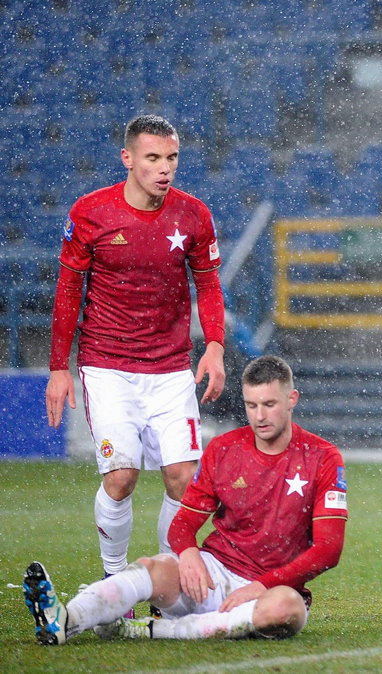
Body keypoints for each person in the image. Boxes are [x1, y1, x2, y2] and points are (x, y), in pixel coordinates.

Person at [22, 355, 348, 645]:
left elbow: (328, 550)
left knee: (285, 610)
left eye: (269, 404)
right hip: (212, 574)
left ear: (292, 399)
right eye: (251, 406)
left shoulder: (323, 457)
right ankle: (66, 619)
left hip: (273, 590)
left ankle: (150, 631)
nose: (259, 416)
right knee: (156, 567)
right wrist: (189, 553)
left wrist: (261, 585)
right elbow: (184, 524)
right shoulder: (223, 449)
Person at [45, 114, 227, 584]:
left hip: (170, 368)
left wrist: (215, 347)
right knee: (121, 477)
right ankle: (113, 581)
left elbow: (207, 284)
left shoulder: (193, 214)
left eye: (172, 158)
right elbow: (68, 289)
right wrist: (58, 368)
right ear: (127, 159)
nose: (164, 168)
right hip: (108, 365)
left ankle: (165, 583)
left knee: (184, 481)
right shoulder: (90, 212)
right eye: (153, 158)